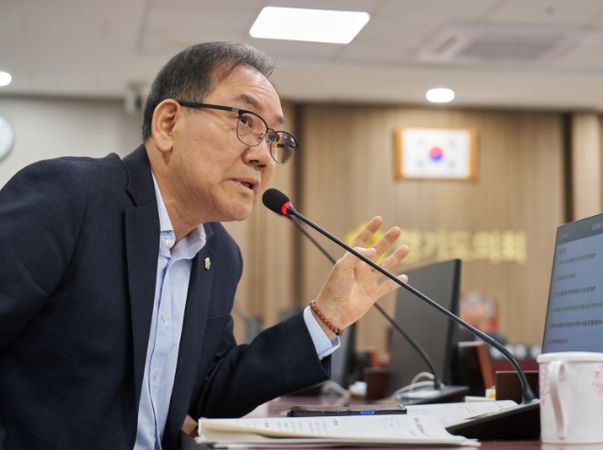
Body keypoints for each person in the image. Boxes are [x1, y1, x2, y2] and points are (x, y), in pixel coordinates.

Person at [0, 42, 409, 450]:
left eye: (274, 138)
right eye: (245, 121)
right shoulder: (69, 197)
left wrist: (327, 318)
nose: (265, 157)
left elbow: (209, 393)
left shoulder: (219, 254)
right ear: (168, 124)